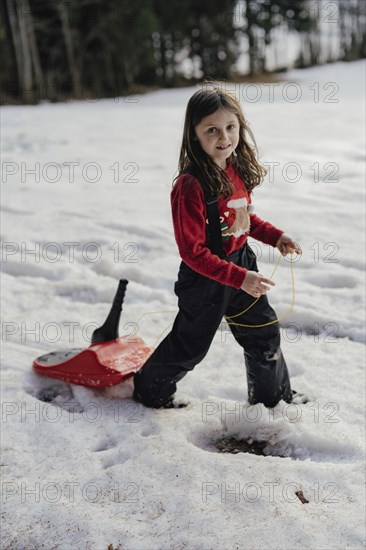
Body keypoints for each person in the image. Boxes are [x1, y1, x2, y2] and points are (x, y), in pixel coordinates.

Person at [133, 83, 303, 409]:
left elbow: (242, 221)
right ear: (194, 134)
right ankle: (149, 390)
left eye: (230, 127)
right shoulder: (190, 186)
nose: (223, 137)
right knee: (189, 347)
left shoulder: (235, 170)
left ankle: (272, 402)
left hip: (242, 267)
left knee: (264, 334)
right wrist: (239, 277)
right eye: (212, 129)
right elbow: (193, 252)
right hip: (205, 280)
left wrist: (275, 237)